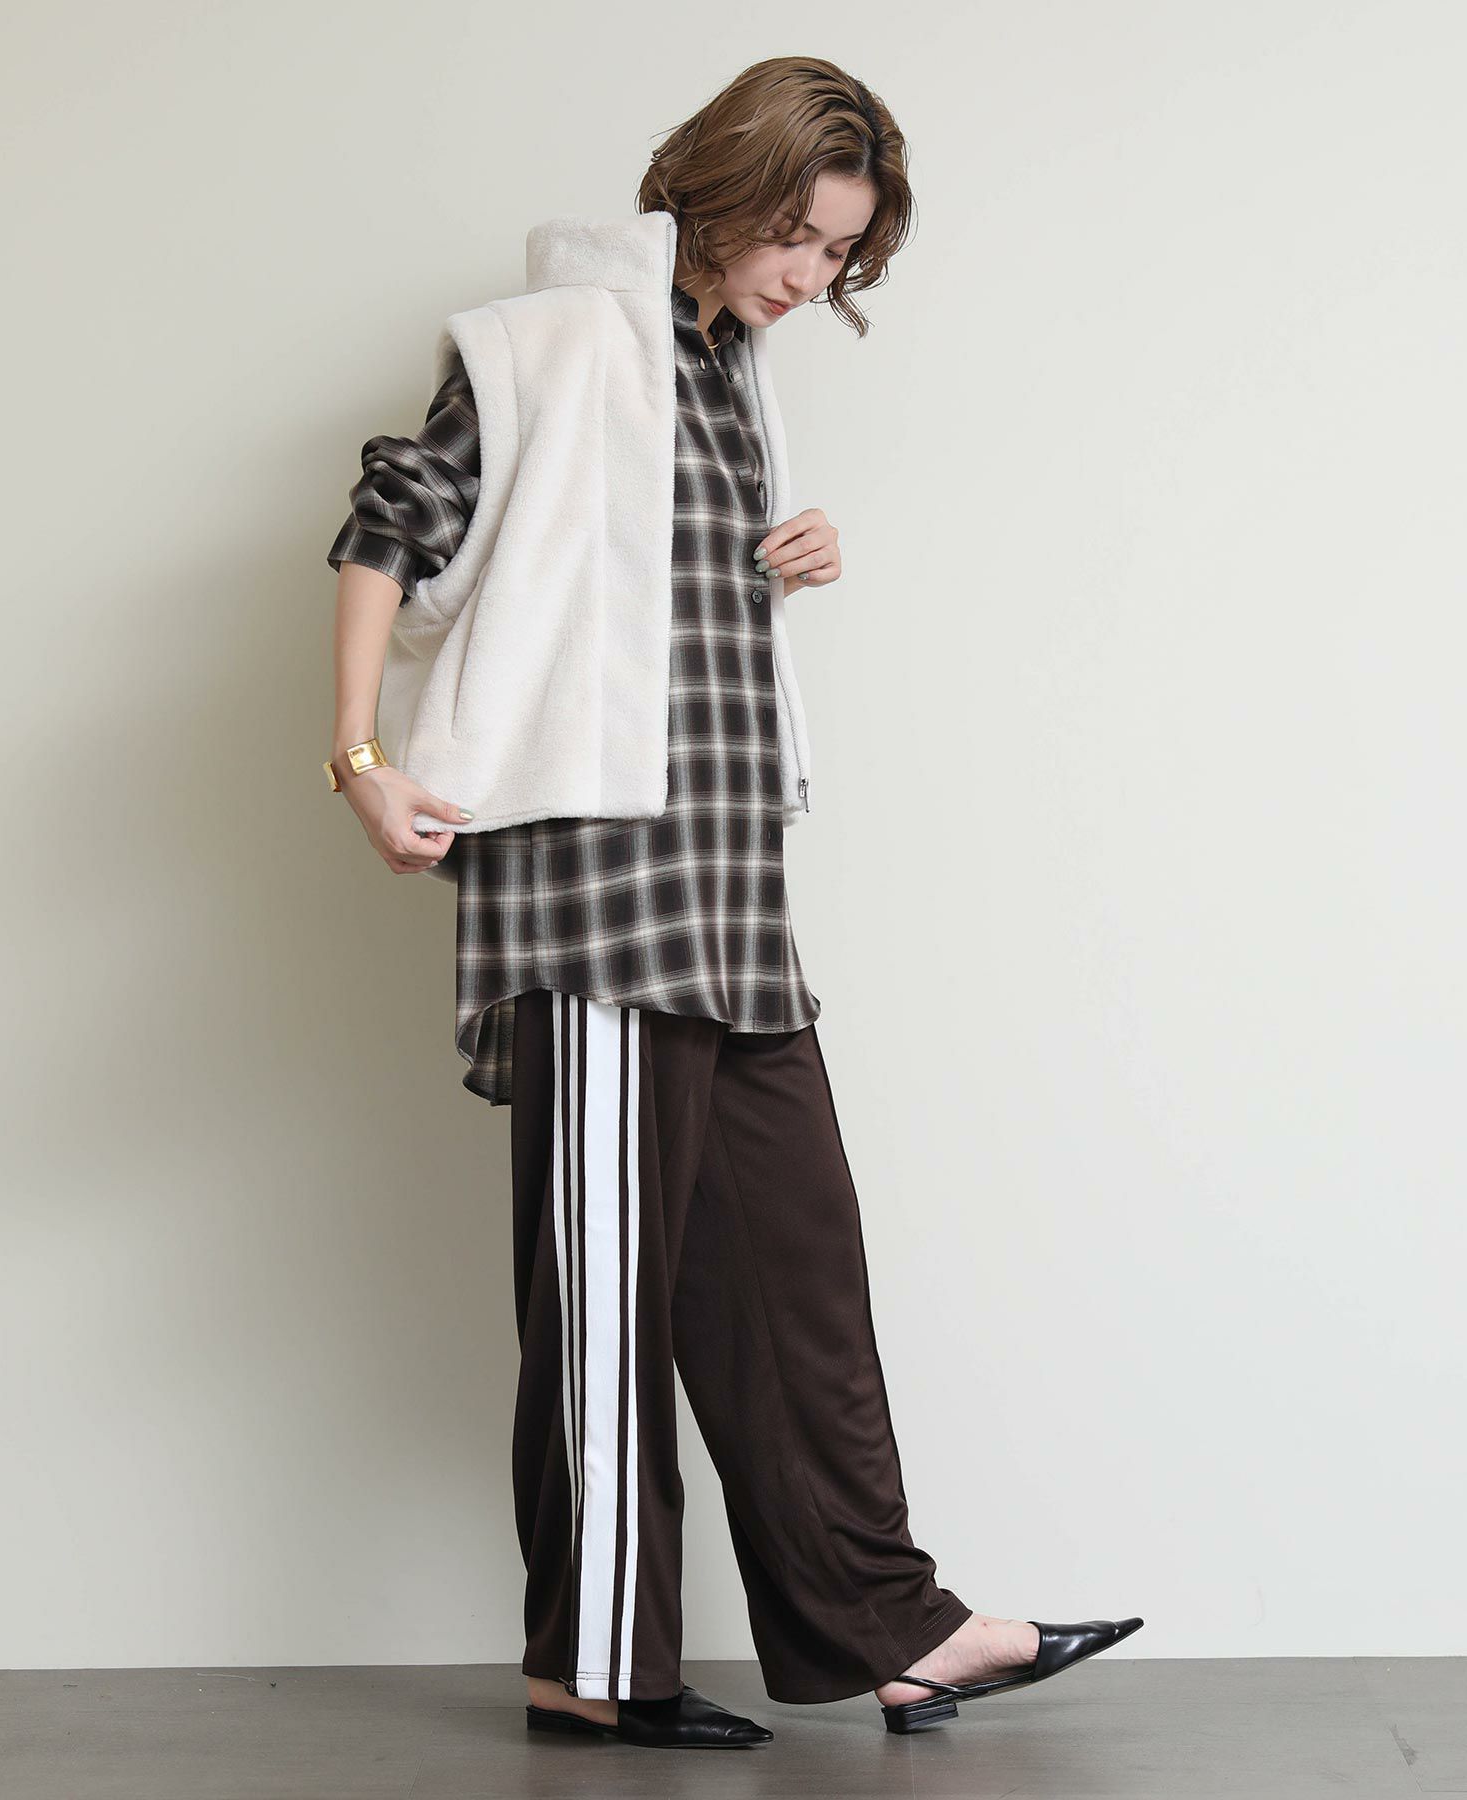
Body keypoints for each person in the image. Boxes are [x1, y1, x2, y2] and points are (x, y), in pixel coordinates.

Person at [323, 54, 1141, 1751]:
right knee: (608, 1300)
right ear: (726, 189)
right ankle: (591, 1663)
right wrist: (360, 759)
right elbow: (395, 518)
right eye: (801, 238)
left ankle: (894, 1627)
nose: (814, 277)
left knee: (795, 1273)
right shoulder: (552, 341)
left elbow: (643, 607)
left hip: (728, 895)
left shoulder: (730, 377)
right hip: (598, 896)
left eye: (840, 254)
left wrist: (792, 549)